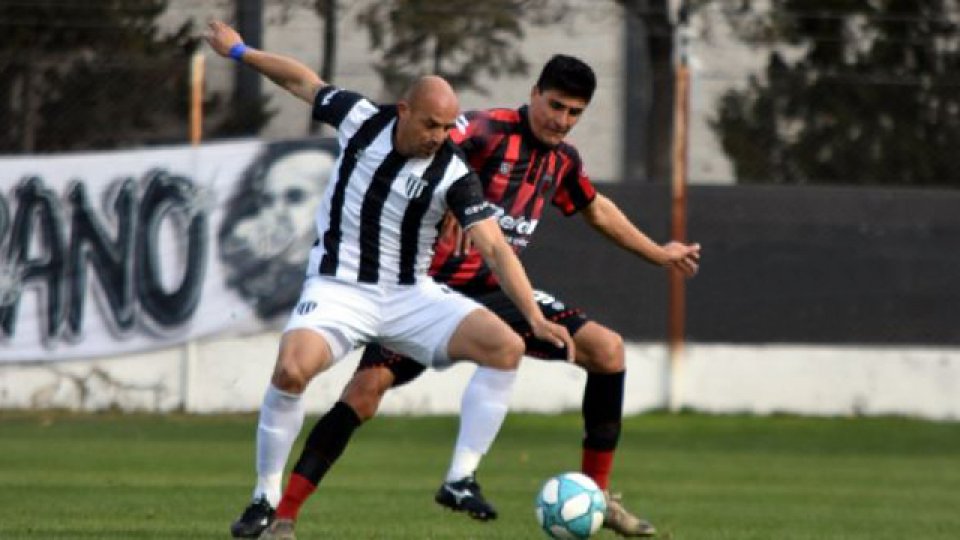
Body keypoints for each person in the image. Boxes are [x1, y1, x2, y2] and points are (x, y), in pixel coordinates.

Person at [232, 52, 701, 539]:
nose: (562, 121)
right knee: (364, 393)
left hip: (495, 291)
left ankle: (596, 497)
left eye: (574, 113)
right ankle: (282, 512)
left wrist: (658, 253)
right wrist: (448, 201)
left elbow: (595, 210)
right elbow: (433, 142)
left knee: (607, 350)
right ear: (534, 94)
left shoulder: (562, 161)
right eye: (555, 106)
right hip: (428, 286)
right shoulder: (484, 129)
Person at [204, 21, 575, 540]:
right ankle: (265, 498)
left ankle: (460, 477)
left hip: (408, 295)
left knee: (506, 346)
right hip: (340, 288)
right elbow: (302, 82)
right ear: (404, 111)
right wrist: (240, 51)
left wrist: (535, 317)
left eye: (448, 128)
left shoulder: (452, 173)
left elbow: (493, 245)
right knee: (291, 372)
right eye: (429, 125)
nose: (438, 138)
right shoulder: (360, 119)